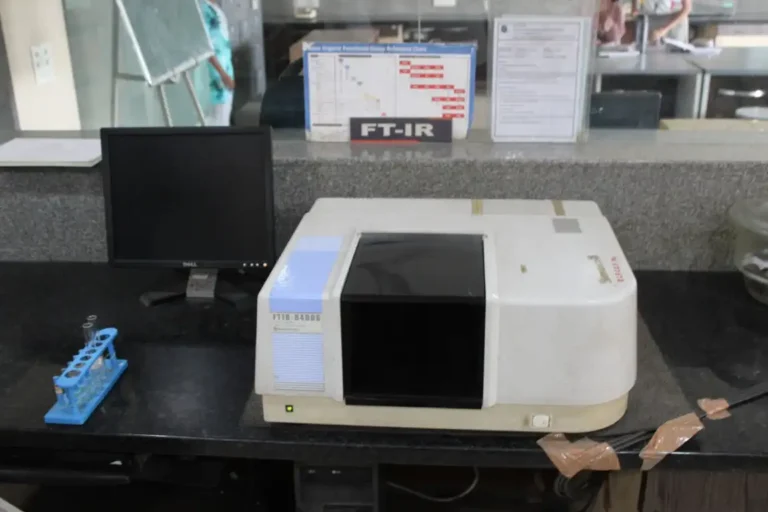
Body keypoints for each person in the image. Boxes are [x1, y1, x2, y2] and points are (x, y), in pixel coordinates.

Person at [200, 0, 235, 126]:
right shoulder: (203, 9)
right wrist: (222, 74)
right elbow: (205, 46)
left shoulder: (215, 8)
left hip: (225, 69)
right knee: (216, 119)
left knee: (224, 117)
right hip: (215, 76)